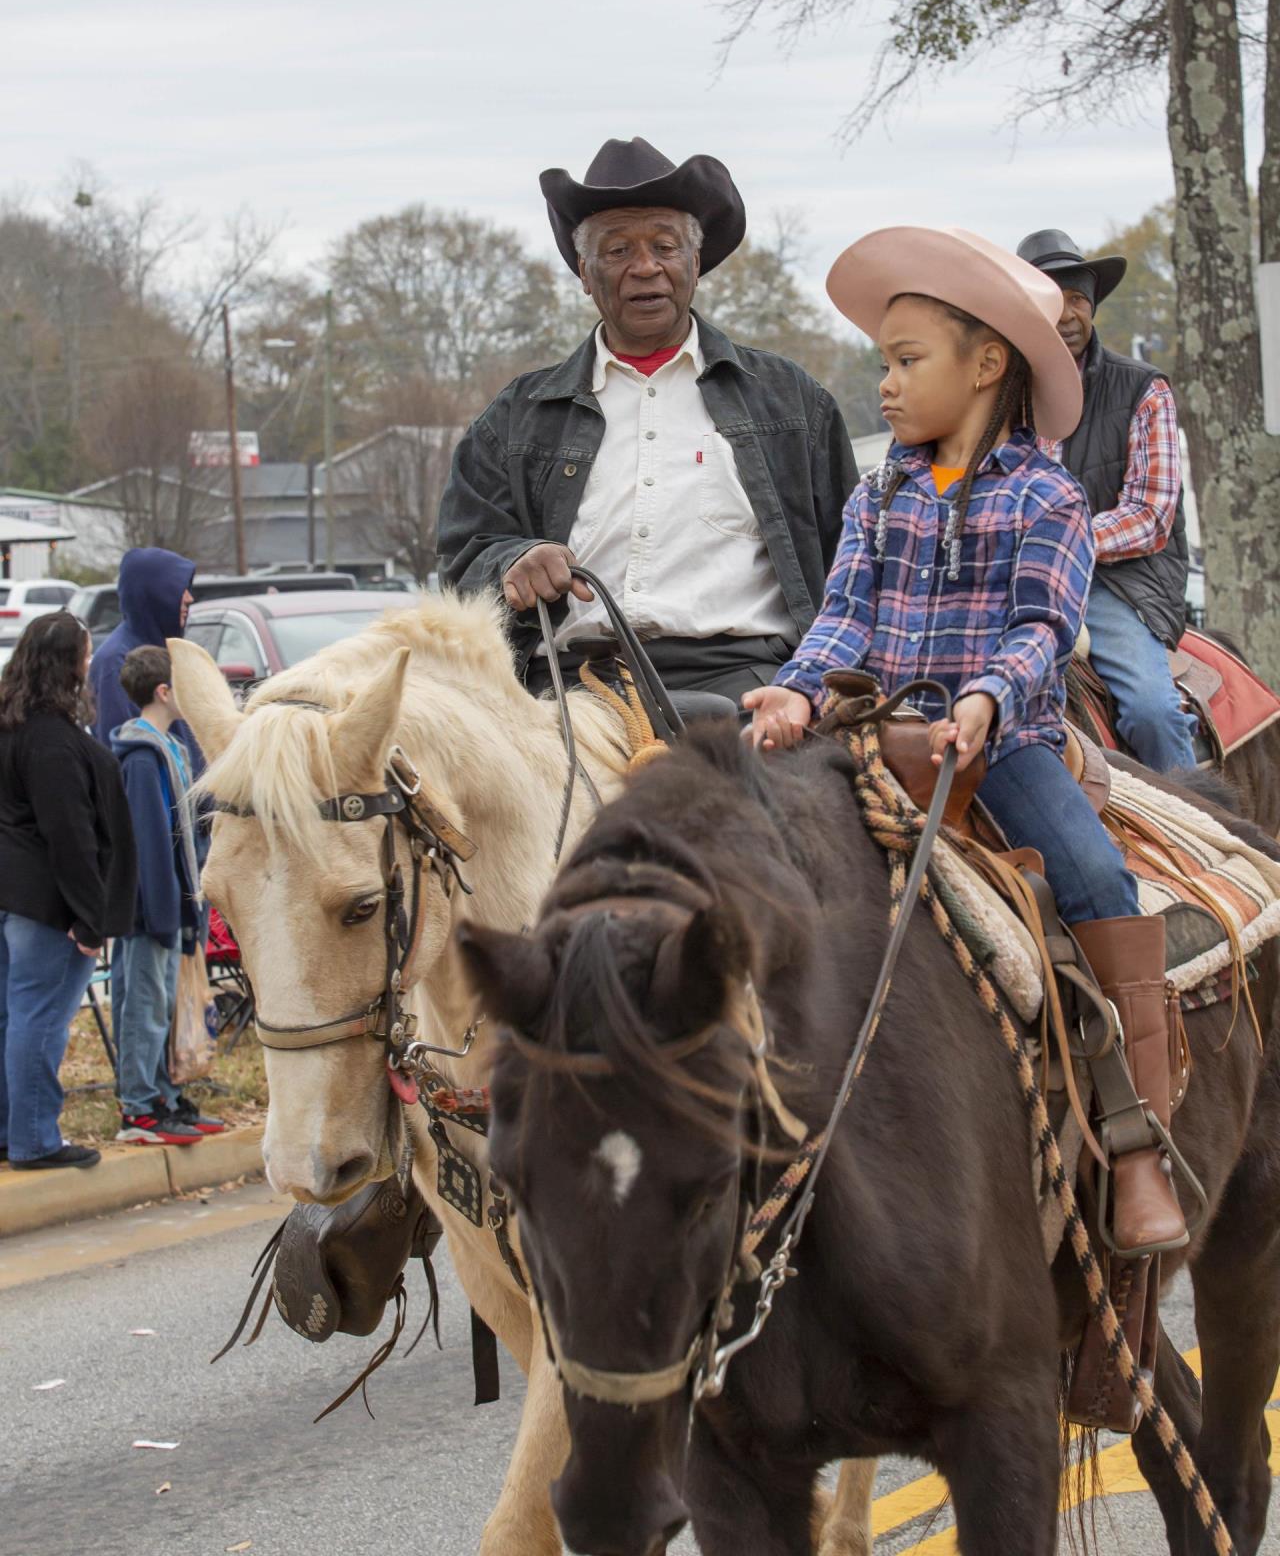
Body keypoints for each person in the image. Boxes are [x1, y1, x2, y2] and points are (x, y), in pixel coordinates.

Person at [747, 225, 1187, 1254]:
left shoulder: (1049, 495)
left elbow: (1041, 626)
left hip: (1001, 745)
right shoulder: (880, 490)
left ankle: (1135, 1143)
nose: (887, 388)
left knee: (1092, 883)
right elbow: (841, 618)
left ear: (986, 365)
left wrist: (988, 697)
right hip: (875, 737)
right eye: (883, 366)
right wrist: (794, 695)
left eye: (906, 362)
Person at [437, 136, 857, 705]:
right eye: (617, 251)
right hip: (568, 686)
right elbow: (462, 559)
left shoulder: (792, 404)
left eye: (665, 246)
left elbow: (851, 566)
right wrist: (512, 560)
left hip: (746, 682)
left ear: (695, 263)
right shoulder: (518, 416)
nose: (645, 268)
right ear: (585, 273)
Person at [1016, 228, 1197, 772]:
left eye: (1077, 298)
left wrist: (1056, 544)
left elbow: (1151, 515)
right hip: (1014, 576)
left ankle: (1196, 831)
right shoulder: (1000, 395)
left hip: (1116, 581)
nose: (1067, 313)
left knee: (1150, 710)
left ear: (1092, 304)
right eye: (1049, 299)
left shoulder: (1142, 388)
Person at [0, 611, 138, 1170]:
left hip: (12, 898)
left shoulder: (10, 726)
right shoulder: (52, 740)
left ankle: (12, 1132)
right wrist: (90, 917)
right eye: (85, 654)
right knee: (38, 1019)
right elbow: (70, 835)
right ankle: (35, 1139)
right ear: (68, 664)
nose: (89, 663)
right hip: (48, 905)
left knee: (11, 1018)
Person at [111, 646, 222, 1145]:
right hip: (151, 911)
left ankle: (167, 1095)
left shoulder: (172, 748)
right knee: (146, 1005)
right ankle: (139, 1105)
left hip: (176, 906)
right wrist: (165, 910)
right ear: (164, 691)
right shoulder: (141, 756)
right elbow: (149, 843)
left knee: (169, 1006)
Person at [90, 547, 197, 754]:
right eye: (178, 589)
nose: (189, 598)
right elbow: (122, 758)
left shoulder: (169, 649)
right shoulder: (116, 661)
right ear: (155, 594)